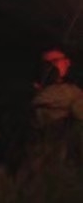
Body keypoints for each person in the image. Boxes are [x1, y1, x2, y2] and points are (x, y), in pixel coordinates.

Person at [24, 45, 83, 178]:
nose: (67, 62)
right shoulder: (70, 93)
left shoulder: (69, 91)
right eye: (47, 63)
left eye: (56, 60)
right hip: (53, 163)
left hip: (46, 163)